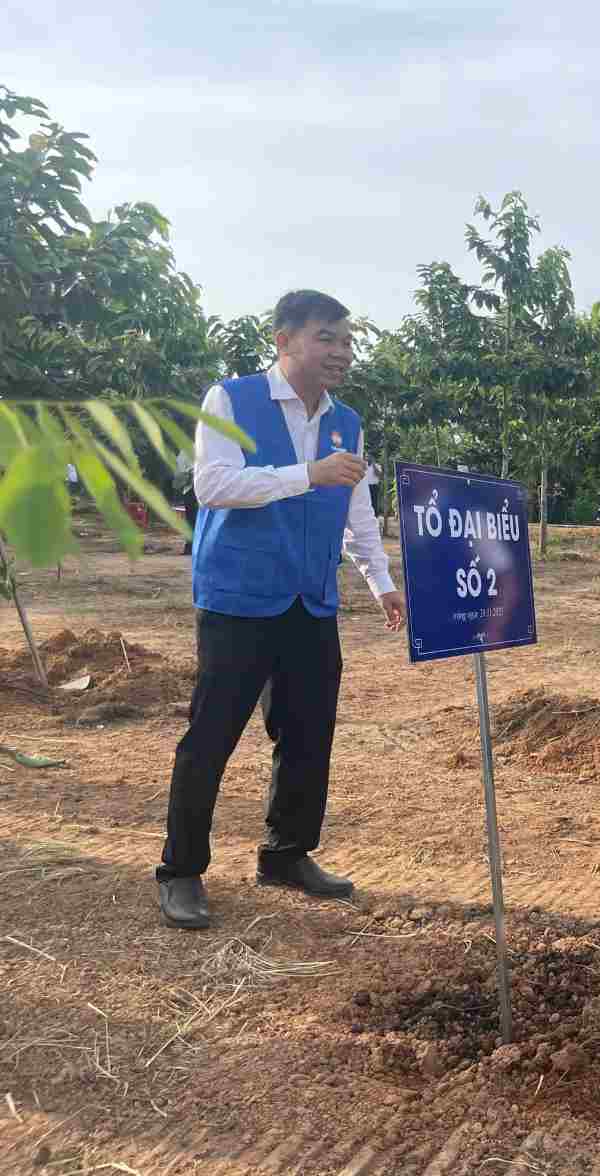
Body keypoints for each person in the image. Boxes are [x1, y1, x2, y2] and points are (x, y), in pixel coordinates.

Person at [157, 290, 407, 931]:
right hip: (239, 598)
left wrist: (380, 580)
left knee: (307, 733)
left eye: (347, 342)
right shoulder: (231, 400)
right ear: (284, 340)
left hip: (310, 600)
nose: (341, 353)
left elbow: (355, 508)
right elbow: (214, 484)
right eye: (327, 338)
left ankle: (286, 853)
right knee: (212, 734)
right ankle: (181, 869)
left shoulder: (346, 422)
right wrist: (307, 474)